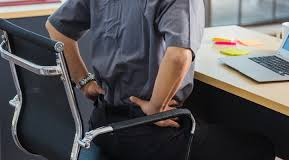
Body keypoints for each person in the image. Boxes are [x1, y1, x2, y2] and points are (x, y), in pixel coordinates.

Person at [46, 0, 275, 159]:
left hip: (102, 127)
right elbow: (178, 56)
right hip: (148, 137)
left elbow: (56, 28)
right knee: (260, 146)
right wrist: (155, 109)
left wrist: (84, 81)